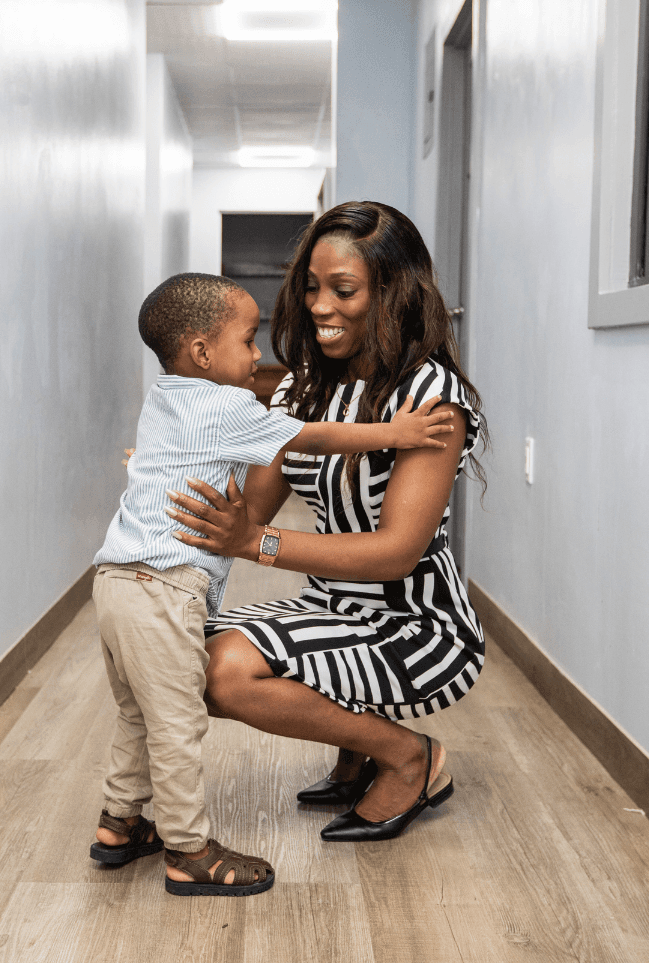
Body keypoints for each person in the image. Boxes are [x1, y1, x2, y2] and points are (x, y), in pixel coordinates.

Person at [89, 271, 458, 895]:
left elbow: (231, 485)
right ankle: (189, 849)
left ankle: (119, 825)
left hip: (114, 580)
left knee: (139, 714)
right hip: (164, 586)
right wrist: (393, 434)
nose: (259, 355)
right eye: (248, 341)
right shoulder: (229, 406)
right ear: (204, 353)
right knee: (177, 722)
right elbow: (313, 435)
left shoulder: (165, 398)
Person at [167, 201, 487, 843]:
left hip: (416, 624)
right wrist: (173, 468)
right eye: (311, 287)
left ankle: (409, 757)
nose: (319, 307)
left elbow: (396, 552)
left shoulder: (431, 401)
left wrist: (257, 544)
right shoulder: (303, 387)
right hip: (332, 606)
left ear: (392, 294)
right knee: (174, 648)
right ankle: (357, 750)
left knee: (223, 674)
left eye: (343, 290)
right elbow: (251, 508)